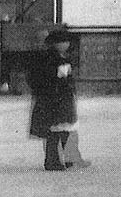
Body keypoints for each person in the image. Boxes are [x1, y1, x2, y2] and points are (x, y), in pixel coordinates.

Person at [28, 29, 78, 171]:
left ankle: (66, 157)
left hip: (63, 98)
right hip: (52, 99)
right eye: (63, 42)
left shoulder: (64, 57)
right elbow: (42, 76)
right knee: (54, 132)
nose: (66, 44)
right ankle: (52, 160)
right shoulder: (49, 57)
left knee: (65, 130)